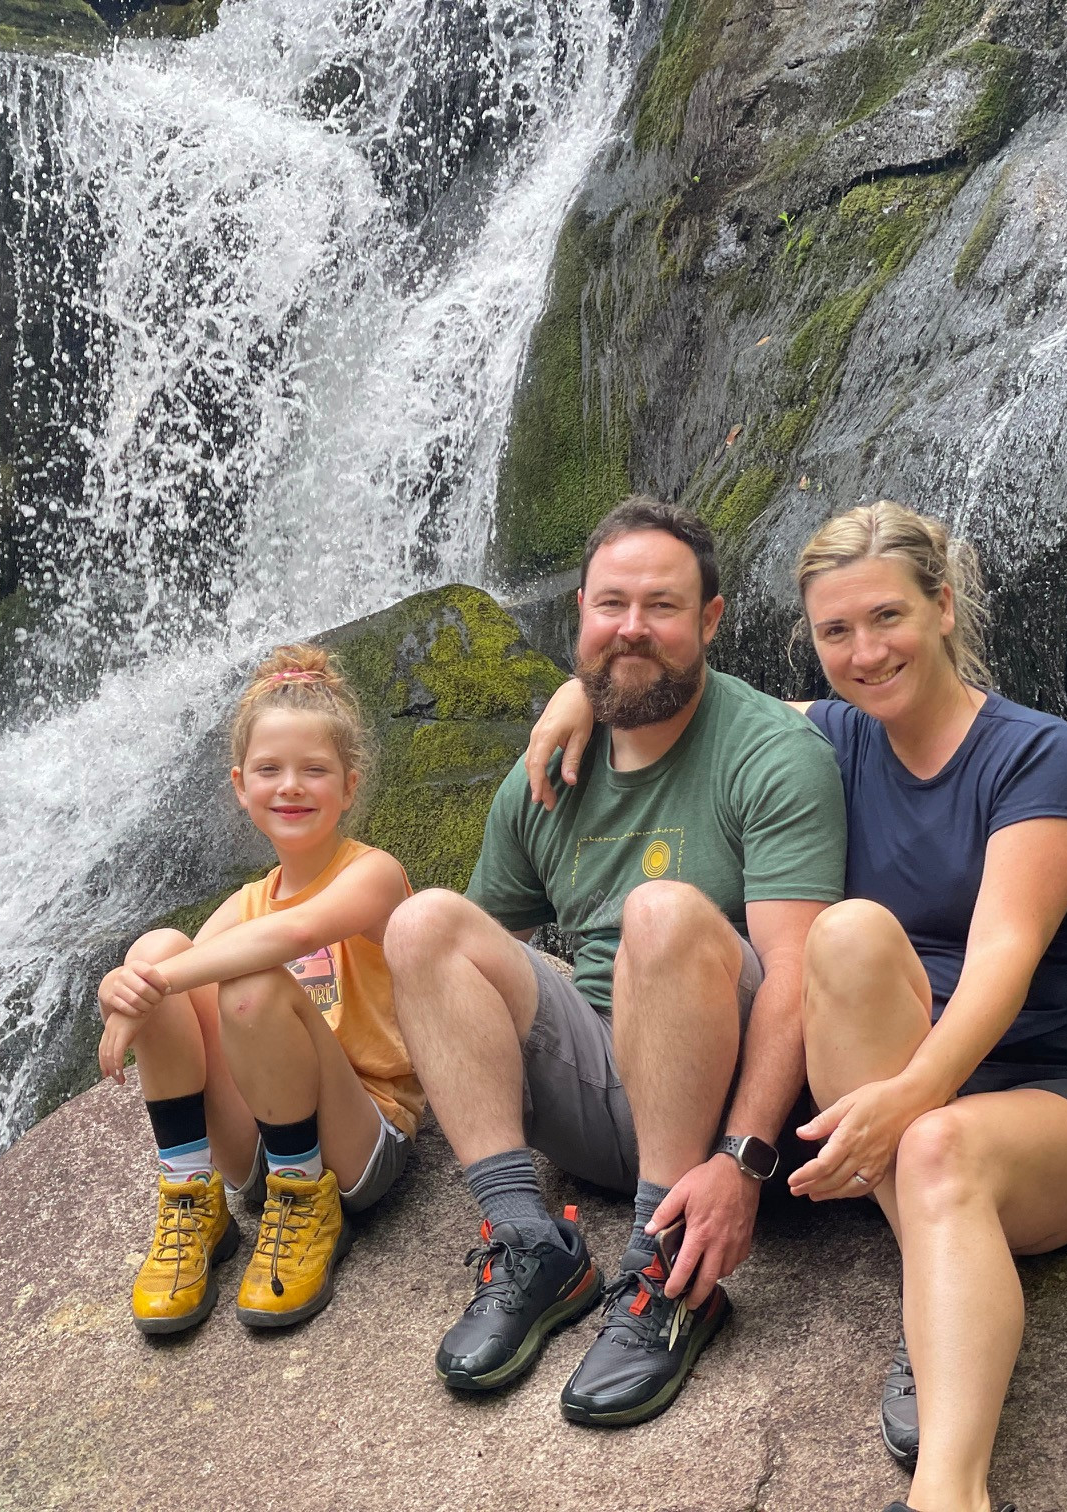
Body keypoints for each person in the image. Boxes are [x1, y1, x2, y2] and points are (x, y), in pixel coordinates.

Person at [529, 501, 1067, 1512]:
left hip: (1055, 1094)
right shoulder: (830, 736)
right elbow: (674, 687)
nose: (865, 653)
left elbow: (1002, 957)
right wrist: (576, 694)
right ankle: (936, 1275)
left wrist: (909, 1097)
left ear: (942, 607)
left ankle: (947, 1487)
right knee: (848, 935)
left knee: (937, 1141)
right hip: (894, 1089)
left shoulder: (1039, 755)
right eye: (836, 631)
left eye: (888, 617)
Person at [382, 498, 846, 1424]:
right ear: (580, 614)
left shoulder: (770, 752)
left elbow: (801, 975)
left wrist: (744, 1161)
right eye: (612, 604)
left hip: (717, 1109)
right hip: (592, 1091)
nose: (632, 627)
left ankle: (664, 1274)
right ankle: (530, 1244)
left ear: (710, 620)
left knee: (660, 912)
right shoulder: (547, 768)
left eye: (662, 606)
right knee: (422, 922)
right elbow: (466, 972)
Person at [97, 644, 422, 1334]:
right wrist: (123, 990)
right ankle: (191, 1196)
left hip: (360, 1137)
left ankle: (305, 1202)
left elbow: (295, 933)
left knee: (244, 979)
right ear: (241, 786)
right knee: (155, 948)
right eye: (270, 770)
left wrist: (156, 985)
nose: (291, 787)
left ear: (349, 786)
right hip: (260, 1149)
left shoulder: (374, 875)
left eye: (314, 770)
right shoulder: (244, 903)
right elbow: (167, 977)